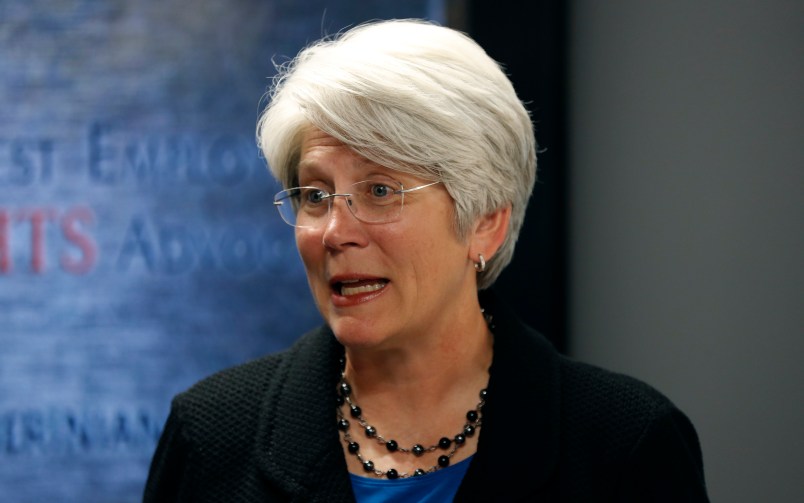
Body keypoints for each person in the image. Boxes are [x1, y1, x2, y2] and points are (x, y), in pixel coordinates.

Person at [143, 19, 709, 502]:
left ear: (485, 219)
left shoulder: (626, 444)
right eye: (315, 196)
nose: (336, 233)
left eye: (381, 191)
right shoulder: (211, 436)